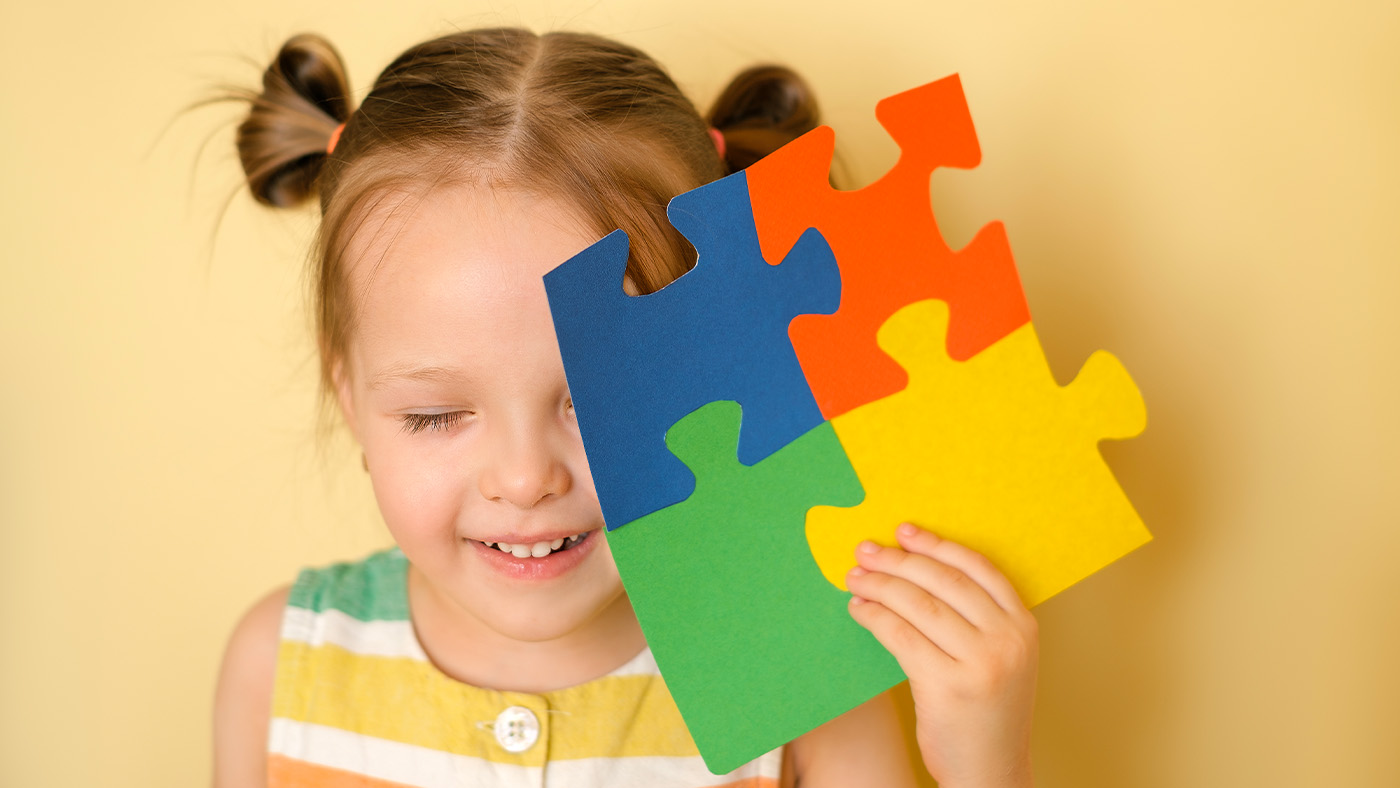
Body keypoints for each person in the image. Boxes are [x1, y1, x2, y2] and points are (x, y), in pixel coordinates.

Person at [212, 27, 1039, 788]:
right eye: (435, 416)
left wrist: (986, 764)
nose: (525, 479)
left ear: (716, 378)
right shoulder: (278, 668)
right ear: (349, 396)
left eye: (600, 401)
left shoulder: (804, 681)